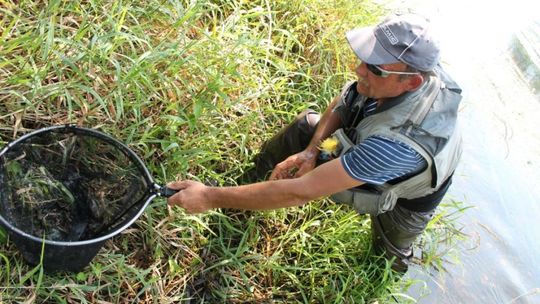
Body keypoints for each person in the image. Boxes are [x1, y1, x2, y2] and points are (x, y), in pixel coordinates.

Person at [167, 13, 463, 272]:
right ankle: (246, 192)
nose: (359, 69)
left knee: (389, 252)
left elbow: (300, 193)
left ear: (411, 83)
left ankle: (387, 268)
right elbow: (345, 100)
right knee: (306, 126)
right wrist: (311, 152)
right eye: (366, 57)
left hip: (413, 191)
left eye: (374, 68)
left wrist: (207, 196)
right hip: (369, 137)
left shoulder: (395, 145)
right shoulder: (392, 75)